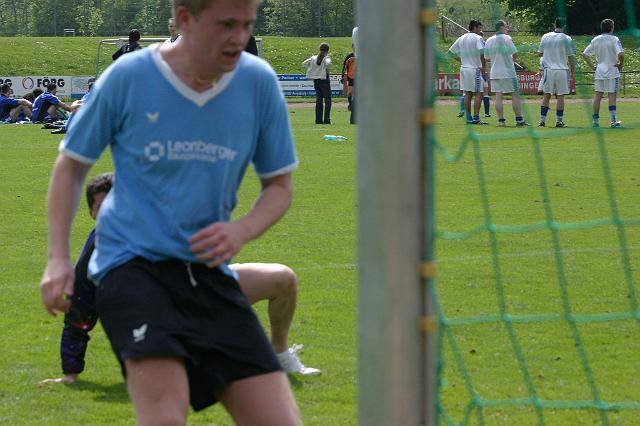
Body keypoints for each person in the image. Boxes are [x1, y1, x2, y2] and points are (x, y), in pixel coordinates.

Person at [40, 0, 301, 424]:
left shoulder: (258, 82)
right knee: (164, 415)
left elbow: (279, 187)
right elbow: (71, 167)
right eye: (226, 24)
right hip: (132, 267)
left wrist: (241, 231)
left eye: (247, 24)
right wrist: (57, 259)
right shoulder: (130, 77)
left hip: (208, 271)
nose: (239, 37)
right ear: (183, 18)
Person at [44, 173, 318, 384]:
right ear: (92, 213)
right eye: (101, 207)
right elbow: (79, 309)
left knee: (283, 279)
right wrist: (71, 372)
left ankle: (280, 355)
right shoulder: (98, 250)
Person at [484, 20, 529, 127]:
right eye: (506, 27)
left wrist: (496, 58)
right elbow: (515, 53)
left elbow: (487, 58)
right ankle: (519, 119)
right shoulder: (506, 38)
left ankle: (501, 121)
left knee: (498, 95)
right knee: (515, 94)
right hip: (508, 72)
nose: (507, 29)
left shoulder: (489, 40)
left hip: (495, 72)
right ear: (501, 28)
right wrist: (511, 61)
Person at [582, 18, 624, 128]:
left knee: (598, 96)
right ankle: (613, 121)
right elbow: (621, 54)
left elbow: (585, 54)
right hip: (612, 71)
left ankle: (595, 121)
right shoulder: (614, 39)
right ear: (612, 28)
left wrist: (593, 67)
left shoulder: (596, 39)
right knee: (612, 96)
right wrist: (621, 65)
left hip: (600, 71)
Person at [448, 20, 488, 125]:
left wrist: (462, 60)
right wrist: (484, 67)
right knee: (479, 93)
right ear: (475, 27)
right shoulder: (478, 38)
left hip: (464, 69)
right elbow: (482, 52)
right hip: (475, 69)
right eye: (480, 28)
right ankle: (476, 117)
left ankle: (468, 118)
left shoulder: (461, 38)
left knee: (467, 94)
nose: (480, 30)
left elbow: (450, 52)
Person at [537, 17, 575, 128]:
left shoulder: (546, 36)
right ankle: (559, 121)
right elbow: (571, 57)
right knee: (560, 96)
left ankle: (542, 121)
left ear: (554, 24)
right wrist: (572, 71)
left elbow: (540, 53)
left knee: (546, 95)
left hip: (549, 70)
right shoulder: (567, 38)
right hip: (562, 70)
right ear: (564, 26)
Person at [303, 43, 332, 125]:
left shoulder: (313, 58)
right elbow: (329, 64)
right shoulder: (326, 58)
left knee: (319, 100)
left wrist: (312, 69)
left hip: (316, 80)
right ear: (327, 50)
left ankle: (318, 120)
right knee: (327, 100)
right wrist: (325, 69)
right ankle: (326, 119)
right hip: (324, 79)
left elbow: (304, 63)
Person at [341, 50, 356, 124]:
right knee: (350, 94)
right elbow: (345, 67)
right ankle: (350, 104)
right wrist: (343, 76)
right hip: (351, 78)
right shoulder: (349, 56)